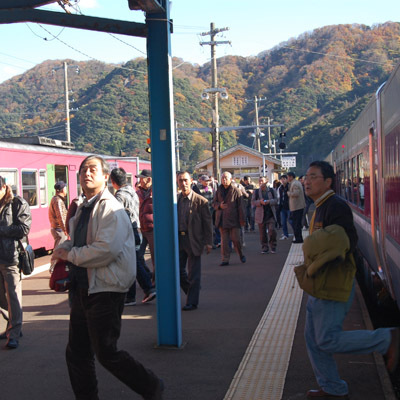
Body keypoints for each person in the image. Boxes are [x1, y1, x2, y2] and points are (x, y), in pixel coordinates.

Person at [51, 156, 163, 400]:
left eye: (92, 170)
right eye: (83, 170)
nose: (86, 174)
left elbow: (105, 250)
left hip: (106, 289)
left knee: (106, 352)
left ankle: (152, 386)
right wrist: (64, 247)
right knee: (78, 352)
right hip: (84, 287)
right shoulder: (84, 207)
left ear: (105, 177)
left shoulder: (110, 207)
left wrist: (70, 254)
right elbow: (80, 240)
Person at [300, 160, 399, 399]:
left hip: (332, 283)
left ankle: (387, 338)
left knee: (327, 339)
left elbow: (342, 244)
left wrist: (314, 258)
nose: (307, 181)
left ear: (328, 181)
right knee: (313, 339)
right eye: (306, 176)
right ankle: (332, 387)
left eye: (313, 176)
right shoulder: (320, 205)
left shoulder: (336, 207)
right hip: (321, 283)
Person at [110, 168, 156, 306]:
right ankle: (137, 293)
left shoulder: (119, 196)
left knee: (132, 263)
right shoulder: (132, 192)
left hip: (127, 232)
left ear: (113, 182)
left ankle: (146, 289)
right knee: (133, 262)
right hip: (137, 229)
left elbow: (116, 216)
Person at [0, 176, 32, 349]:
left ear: (4, 187)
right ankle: (12, 324)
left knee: (13, 296)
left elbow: (24, 228)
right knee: (2, 298)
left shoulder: (17, 203)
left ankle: (14, 333)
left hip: (11, 258)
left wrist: (2, 230)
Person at [177, 172, 213, 311]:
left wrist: (209, 242)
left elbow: (207, 223)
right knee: (178, 271)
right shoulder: (176, 200)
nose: (183, 183)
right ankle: (192, 290)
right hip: (179, 239)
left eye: (185, 180)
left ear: (191, 181)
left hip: (194, 239)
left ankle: (192, 301)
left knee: (194, 272)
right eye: (180, 181)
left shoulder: (200, 201)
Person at [213, 171, 246, 266]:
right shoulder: (218, 190)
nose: (224, 180)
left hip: (234, 220)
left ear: (231, 179)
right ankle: (225, 259)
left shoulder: (236, 190)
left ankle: (241, 254)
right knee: (224, 242)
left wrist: (242, 220)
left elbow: (241, 207)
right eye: (222, 178)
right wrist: (219, 206)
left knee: (236, 239)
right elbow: (213, 203)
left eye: (226, 178)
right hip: (222, 219)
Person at [136, 169, 157, 285]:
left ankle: (155, 281)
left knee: (155, 258)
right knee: (138, 255)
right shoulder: (139, 193)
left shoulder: (156, 191)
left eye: (141, 178)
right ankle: (148, 275)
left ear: (148, 179)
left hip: (153, 229)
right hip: (142, 228)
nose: (140, 181)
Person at [252, 176, 278, 254]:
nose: (261, 183)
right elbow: (253, 202)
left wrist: (269, 201)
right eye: (259, 181)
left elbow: (276, 200)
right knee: (262, 233)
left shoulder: (272, 190)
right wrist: (260, 202)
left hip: (270, 214)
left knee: (271, 230)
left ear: (266, 181)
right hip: (261, 215)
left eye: (262, 181)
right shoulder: (256, 192)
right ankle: (264, 247)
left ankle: (273, 246)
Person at [287, 171, 305, 243]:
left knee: (296, 223)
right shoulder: (296, 183)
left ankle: (298, 238)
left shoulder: (295, 184)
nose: (287, 178)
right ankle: (298, 237)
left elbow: (296, 193)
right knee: (296, 223)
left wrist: (289, 193)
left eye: (288, 177)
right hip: (297, 206)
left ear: (291, 177)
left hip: (297, 206)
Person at [49, 180, 68, 248]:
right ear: (63, 190)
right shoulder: (58, 201)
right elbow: (61, 216)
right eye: (65, 188)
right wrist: (65, 230)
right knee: (60, 251)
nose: (66, 190)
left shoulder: (54, 199)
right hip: (60, 230)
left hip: (57, 228)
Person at [278, 174, 290, 240]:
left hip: (289, 206)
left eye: (284, 179)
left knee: (291, 221)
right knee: (283, 222)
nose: (282, 180)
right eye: (281, 179)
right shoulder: (281, 188)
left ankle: (296, 233)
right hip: (282, 207)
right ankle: (285, 234)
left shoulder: (289, 186)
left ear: (287, 179)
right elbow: (280, 197)